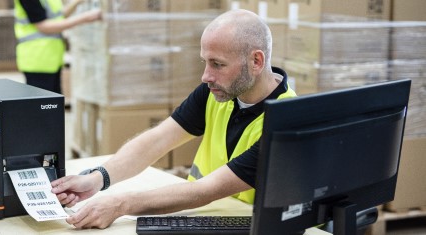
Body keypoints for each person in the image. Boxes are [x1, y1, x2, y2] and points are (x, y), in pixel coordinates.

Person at [50, 9, 298, 229]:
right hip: (208, 219)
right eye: (205, 62)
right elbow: (157, 140)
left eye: (218, 64)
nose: (206, 75)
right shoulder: (218, 91)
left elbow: (207, 190)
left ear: (256, 61)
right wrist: (97, 179)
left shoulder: (286, 120)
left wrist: (120, 204)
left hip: (252, 226)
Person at [14, 0, 101, 94]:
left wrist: (77, 2)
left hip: (51, 59)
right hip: (37, 59)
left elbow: (58, 16)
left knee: (55, 103)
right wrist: (84, 18)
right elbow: (43, 26)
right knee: (42, 105)